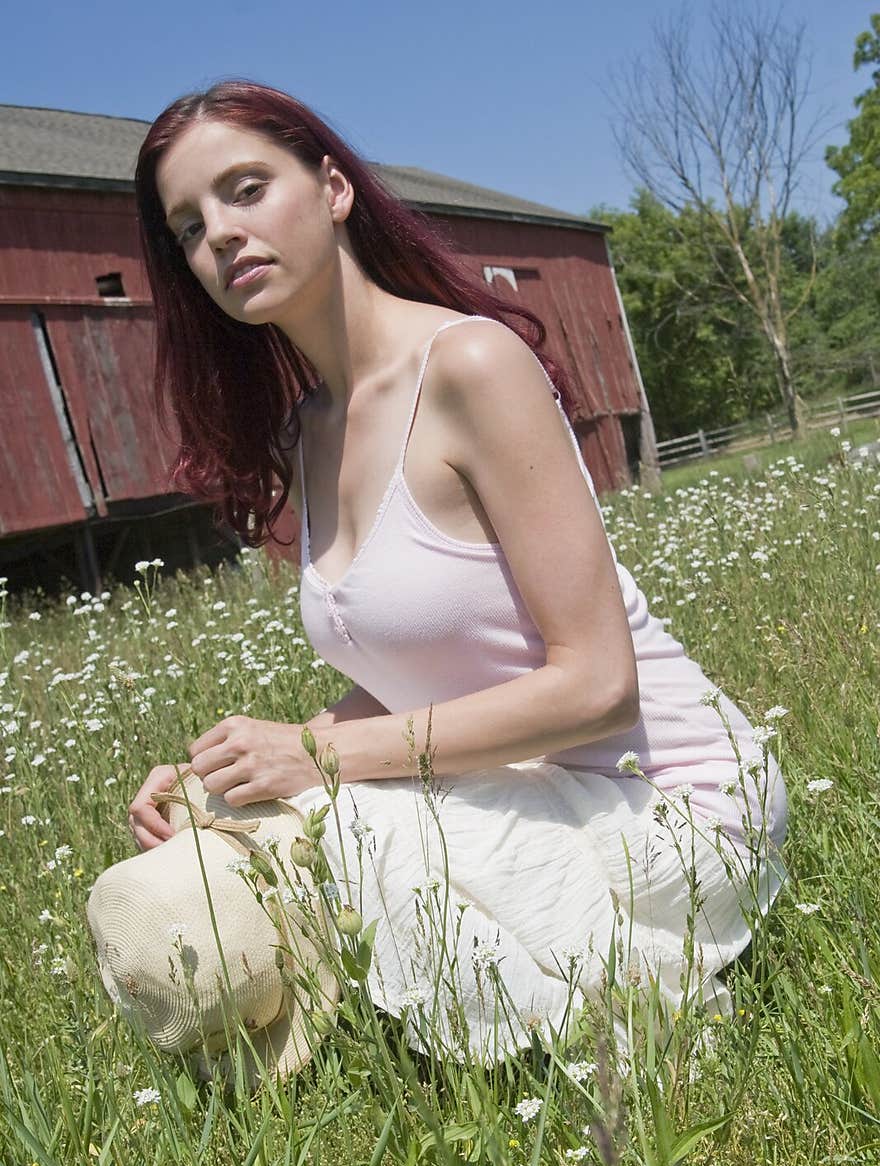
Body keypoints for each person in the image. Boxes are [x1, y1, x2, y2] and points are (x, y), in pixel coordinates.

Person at [126, 78, 788, 1061]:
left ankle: (638, 1060)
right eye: (187, 226)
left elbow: (600, 688)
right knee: (226, 819)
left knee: (347, 824)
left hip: (671, 798)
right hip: (526, 778)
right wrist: (227, 767)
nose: (218, 235)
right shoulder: (311, 434)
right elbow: (424, 672)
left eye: (245, 189)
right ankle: (277, 1099)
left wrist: (314, 761)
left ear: (335, 189)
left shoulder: (470, 366)